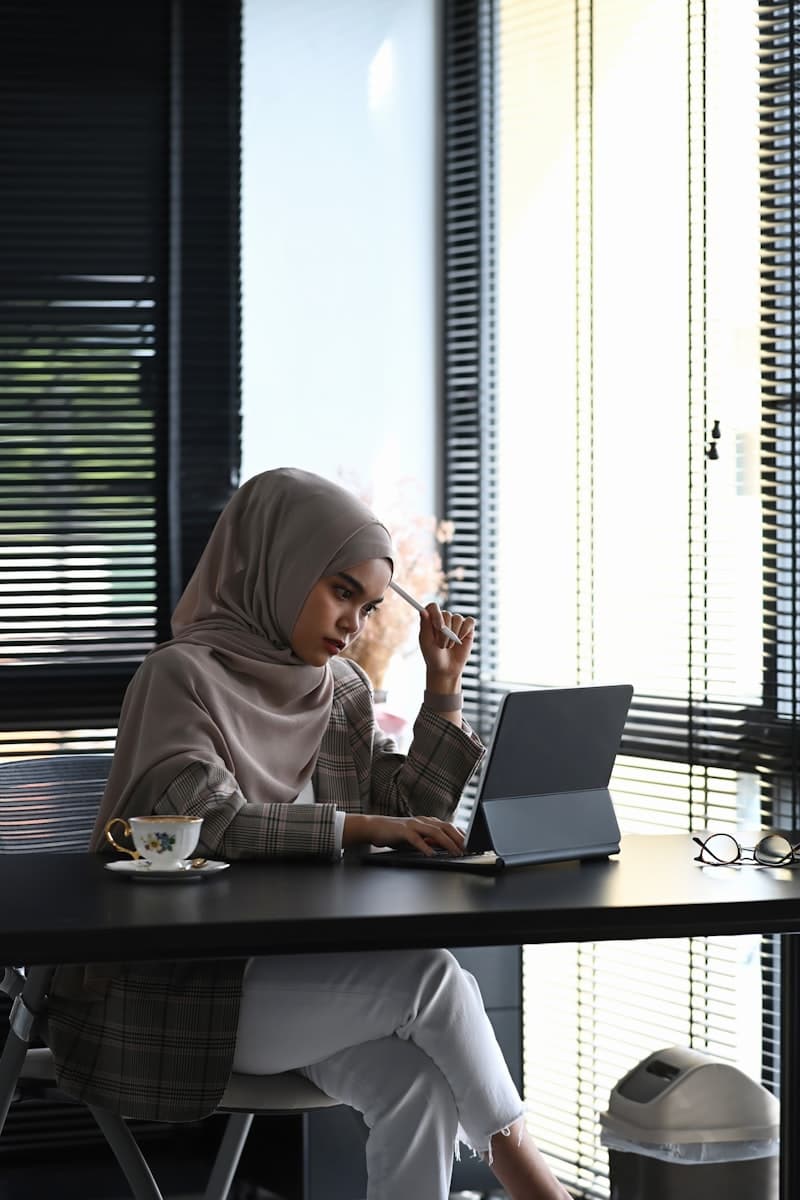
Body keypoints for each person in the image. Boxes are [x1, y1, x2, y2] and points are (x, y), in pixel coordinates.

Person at [48, 467, 570, 1200]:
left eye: (370, 606)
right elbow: (213, 821)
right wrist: (365, 825)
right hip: (190, 988)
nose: (354, 623)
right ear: (279, 566)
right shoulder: (180, 678)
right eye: (341, 592)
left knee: (417, 1085)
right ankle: (540, 1189)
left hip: (310, 979)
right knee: (431, 978)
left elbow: (411, 812)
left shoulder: (339, 689)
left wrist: (444, 690)